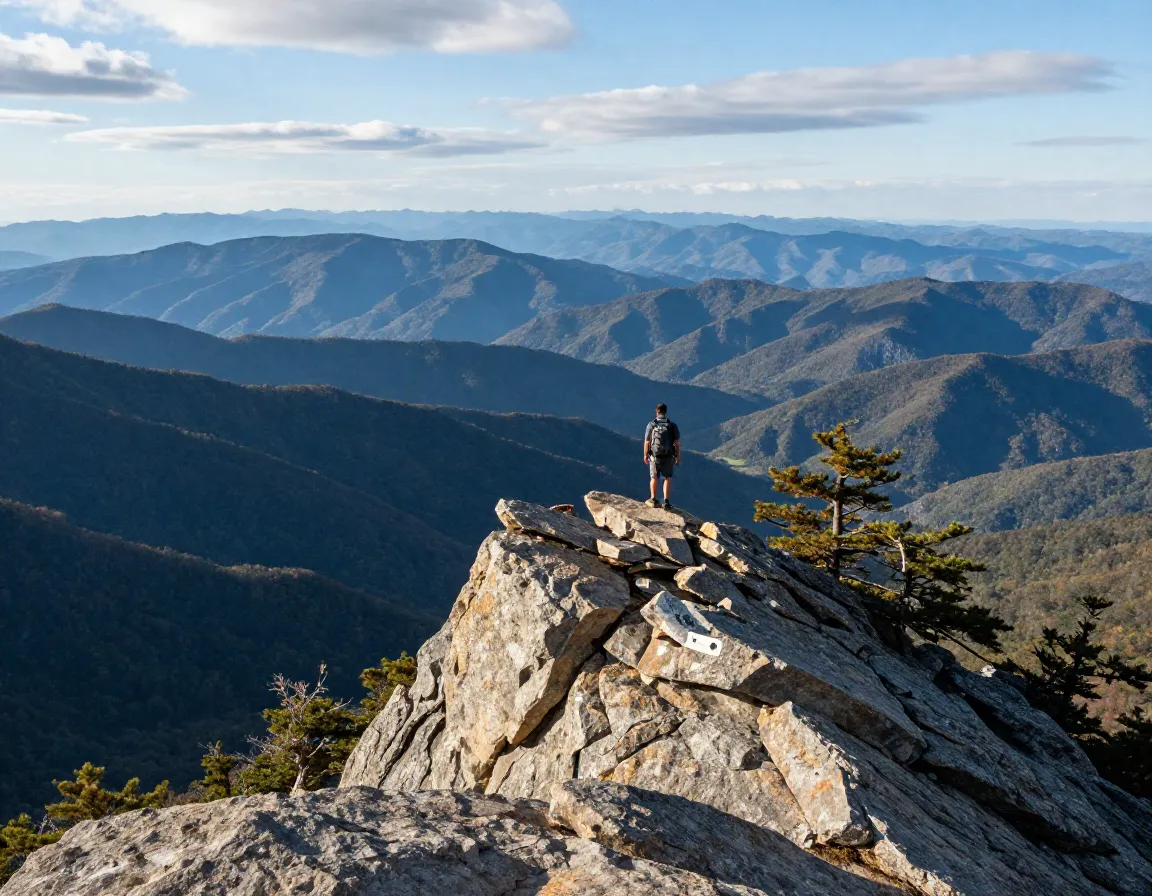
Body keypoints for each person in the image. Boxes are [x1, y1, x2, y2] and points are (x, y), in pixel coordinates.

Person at [643, 403, 681, 509]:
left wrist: (645, 454)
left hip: (654, 457)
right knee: (667, 478)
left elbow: (647, 442)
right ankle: (667, 502)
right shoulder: (672, 425)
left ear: (656, 411)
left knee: (654, 477)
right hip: (668, 456)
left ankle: (653, 499)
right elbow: (677, 443)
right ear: (666, 412)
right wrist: (678, 456)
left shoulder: (651, 424)